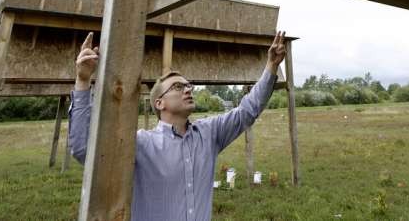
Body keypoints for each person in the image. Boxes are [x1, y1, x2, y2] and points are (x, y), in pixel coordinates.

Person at [68, 30, 287, 221]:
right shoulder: (141, 144)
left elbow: (247, 111)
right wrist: (83, 80)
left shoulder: (209, 134)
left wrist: (271, 66)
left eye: (188, 85)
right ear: (159, 103)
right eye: (178, 87)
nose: (188, 89)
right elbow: (84, 150)